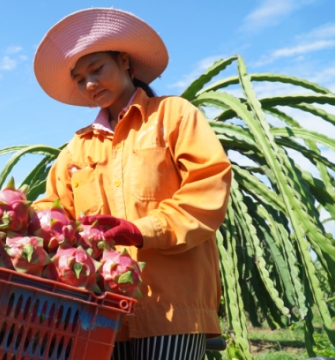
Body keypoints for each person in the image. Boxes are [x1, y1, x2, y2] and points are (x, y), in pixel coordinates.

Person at [32, 8, 232, 360]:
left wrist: (142, 231)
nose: (90, 83)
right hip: (102, 308)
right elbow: (51, 211)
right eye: (80, 79)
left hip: (173, 307)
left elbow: (209, 183)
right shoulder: (77, 148)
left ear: (124, 62)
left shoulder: (173, 115)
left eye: (97, 69)